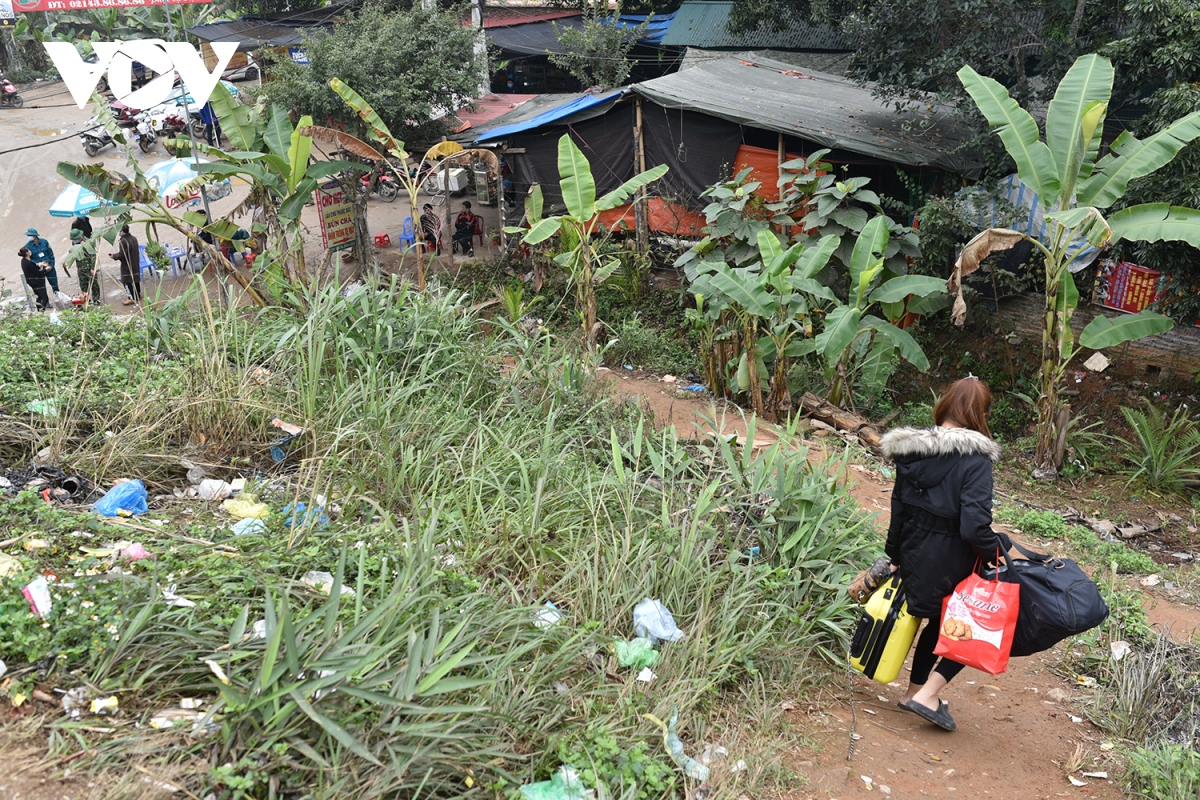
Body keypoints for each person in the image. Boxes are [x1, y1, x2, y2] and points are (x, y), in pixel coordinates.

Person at [879, 377, 1008, 732]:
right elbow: (973, 526)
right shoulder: (976, 460)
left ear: (945, 404)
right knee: (963, 625)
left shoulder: (912, 449)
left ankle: (915, 692)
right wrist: (997, 552)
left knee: (933, 621)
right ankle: (923, 695)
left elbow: (898, 508)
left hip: (914, 549)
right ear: (980, 413)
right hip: (951, 557)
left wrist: (893, 555)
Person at [111, 224, 142, 305]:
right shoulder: (134, 238)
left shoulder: (123, 241)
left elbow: (122, 255)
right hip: (135, 263)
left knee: (126, 281)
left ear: (122, 232)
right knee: (135, 279)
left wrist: (114, 256)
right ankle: (138, 295)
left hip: (127, 265)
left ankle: (131, 297)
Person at [70, 228, 100, 305]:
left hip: (89, 267)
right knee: (83, 285)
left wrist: (93, 268)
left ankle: (96, 300)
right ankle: (86, 300)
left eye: (75, 239)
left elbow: (93, 256)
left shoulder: (88, 243)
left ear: (80, 237)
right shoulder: (74, 243)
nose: (74, 241)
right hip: (80, 268)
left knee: (94, 285)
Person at [24, 227, 58, 293]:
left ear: (34, 236)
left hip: (49, 267)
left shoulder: (44, 242)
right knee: (42, 287)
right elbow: (29, 259)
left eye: (29, 235)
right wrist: (38, 264)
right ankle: (46, 302)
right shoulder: (27, 246)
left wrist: (51, 265)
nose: (28, 237)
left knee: (55, 285)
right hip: (39, 269)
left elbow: (50, 254)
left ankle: (58, 298)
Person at [18, 247, 50, 311]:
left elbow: (32, 269)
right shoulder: (29, 263)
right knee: (44, 298)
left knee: (38, 296)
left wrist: (38, 265)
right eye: (29, 250)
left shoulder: (24, 261)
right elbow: (37, 272)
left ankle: (39, 310)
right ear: (27, 253)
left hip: (31, 282)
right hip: (37, 282)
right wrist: (46, 269)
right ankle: (42, 310)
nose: (30, 251)